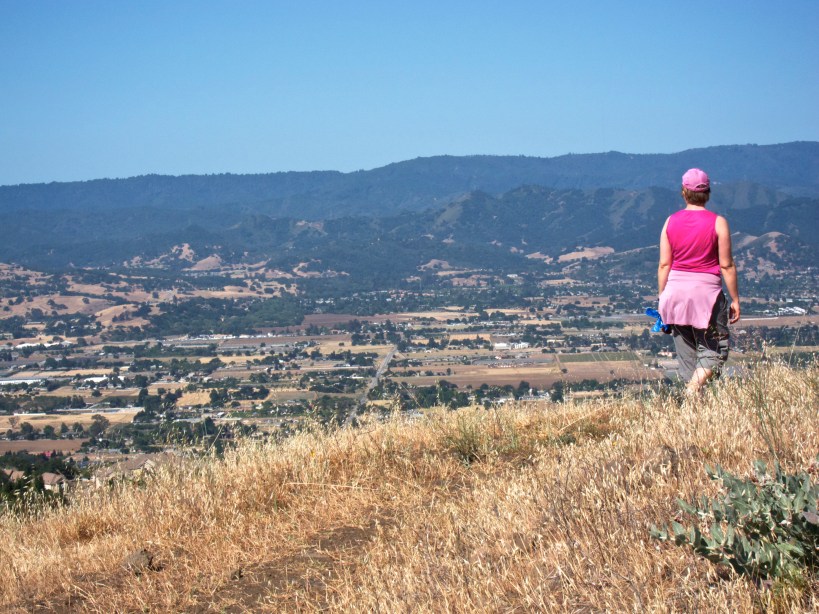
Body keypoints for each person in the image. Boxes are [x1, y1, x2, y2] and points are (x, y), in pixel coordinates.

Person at [657, 168, 740, 394]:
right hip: (707, 295)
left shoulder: (670, 222)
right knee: (715, 350)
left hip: (675, 293)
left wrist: (662, 297)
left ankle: (693, 406)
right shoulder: (718, 223)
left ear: (684, 192)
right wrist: (735, 299)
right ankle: (693, 390)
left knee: (687, 355)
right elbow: (726, 265)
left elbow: (664, 264)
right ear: (708, 193)